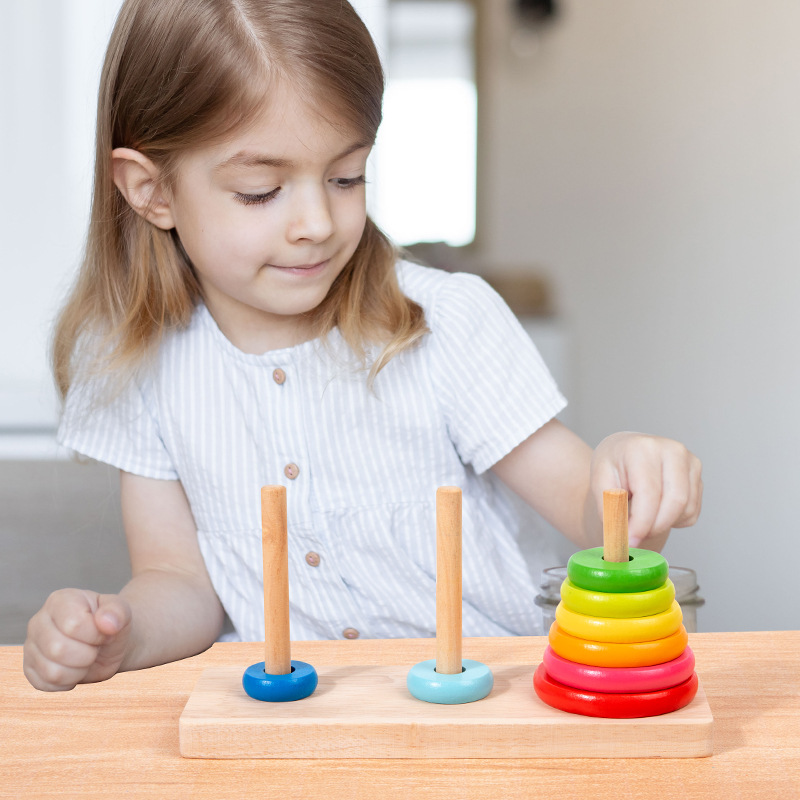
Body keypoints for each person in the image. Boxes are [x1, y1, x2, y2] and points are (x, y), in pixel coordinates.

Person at [23, 0, 702, 692]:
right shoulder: (132, 365)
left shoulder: (446, 322)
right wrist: (121, 631)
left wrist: (625, 481)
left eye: (346, 176)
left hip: (483, 719)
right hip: (297, 736)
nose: (317, 221)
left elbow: (592, 517)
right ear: (150, 191)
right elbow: (179, 582)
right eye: (261, 192)